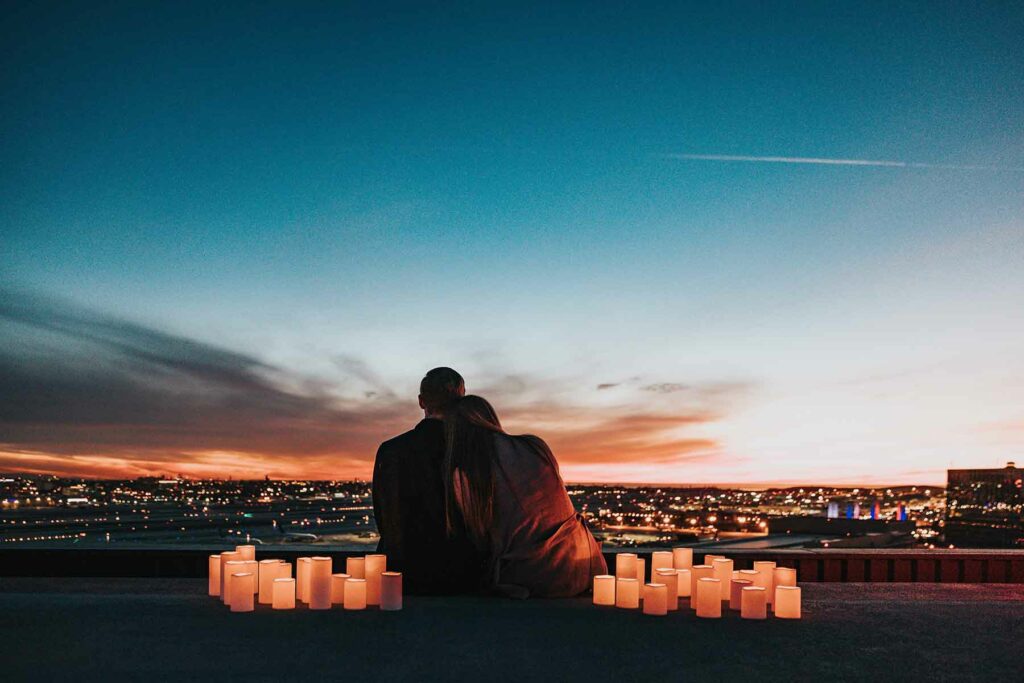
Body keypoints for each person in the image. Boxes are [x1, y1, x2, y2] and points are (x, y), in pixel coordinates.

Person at [443, 395, 607, 598]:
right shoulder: (535, 446)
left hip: (533, 579)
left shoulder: (466, 474)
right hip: (586, 566)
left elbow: (479, 539)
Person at [372, 367, 482, 594]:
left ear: (422, 402)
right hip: (463, 575)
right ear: (462, 401)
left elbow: (384, 519)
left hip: (402, 573)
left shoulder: (390, 450)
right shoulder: (475, 450)